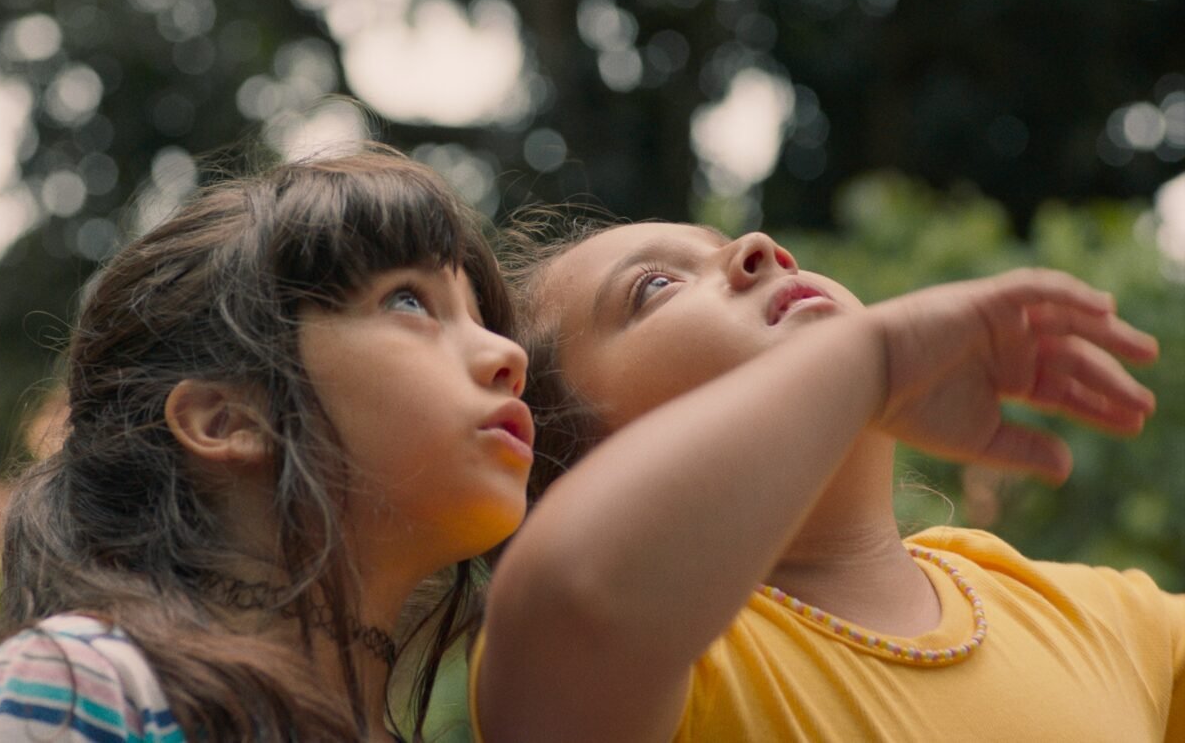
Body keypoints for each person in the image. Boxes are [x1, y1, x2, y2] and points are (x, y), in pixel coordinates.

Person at [472, 219, 1182, 741]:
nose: (759, 247)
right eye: (655, 287)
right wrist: (877, 360)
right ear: (573, 469)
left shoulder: (1102, 617)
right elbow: (576, 597)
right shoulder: (661, 679)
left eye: (726, 243)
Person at [0, 144, 535, 743]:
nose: (508, 354)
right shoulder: (82, 690)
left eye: (481, 318)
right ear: (227, 420)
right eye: (409, 300)